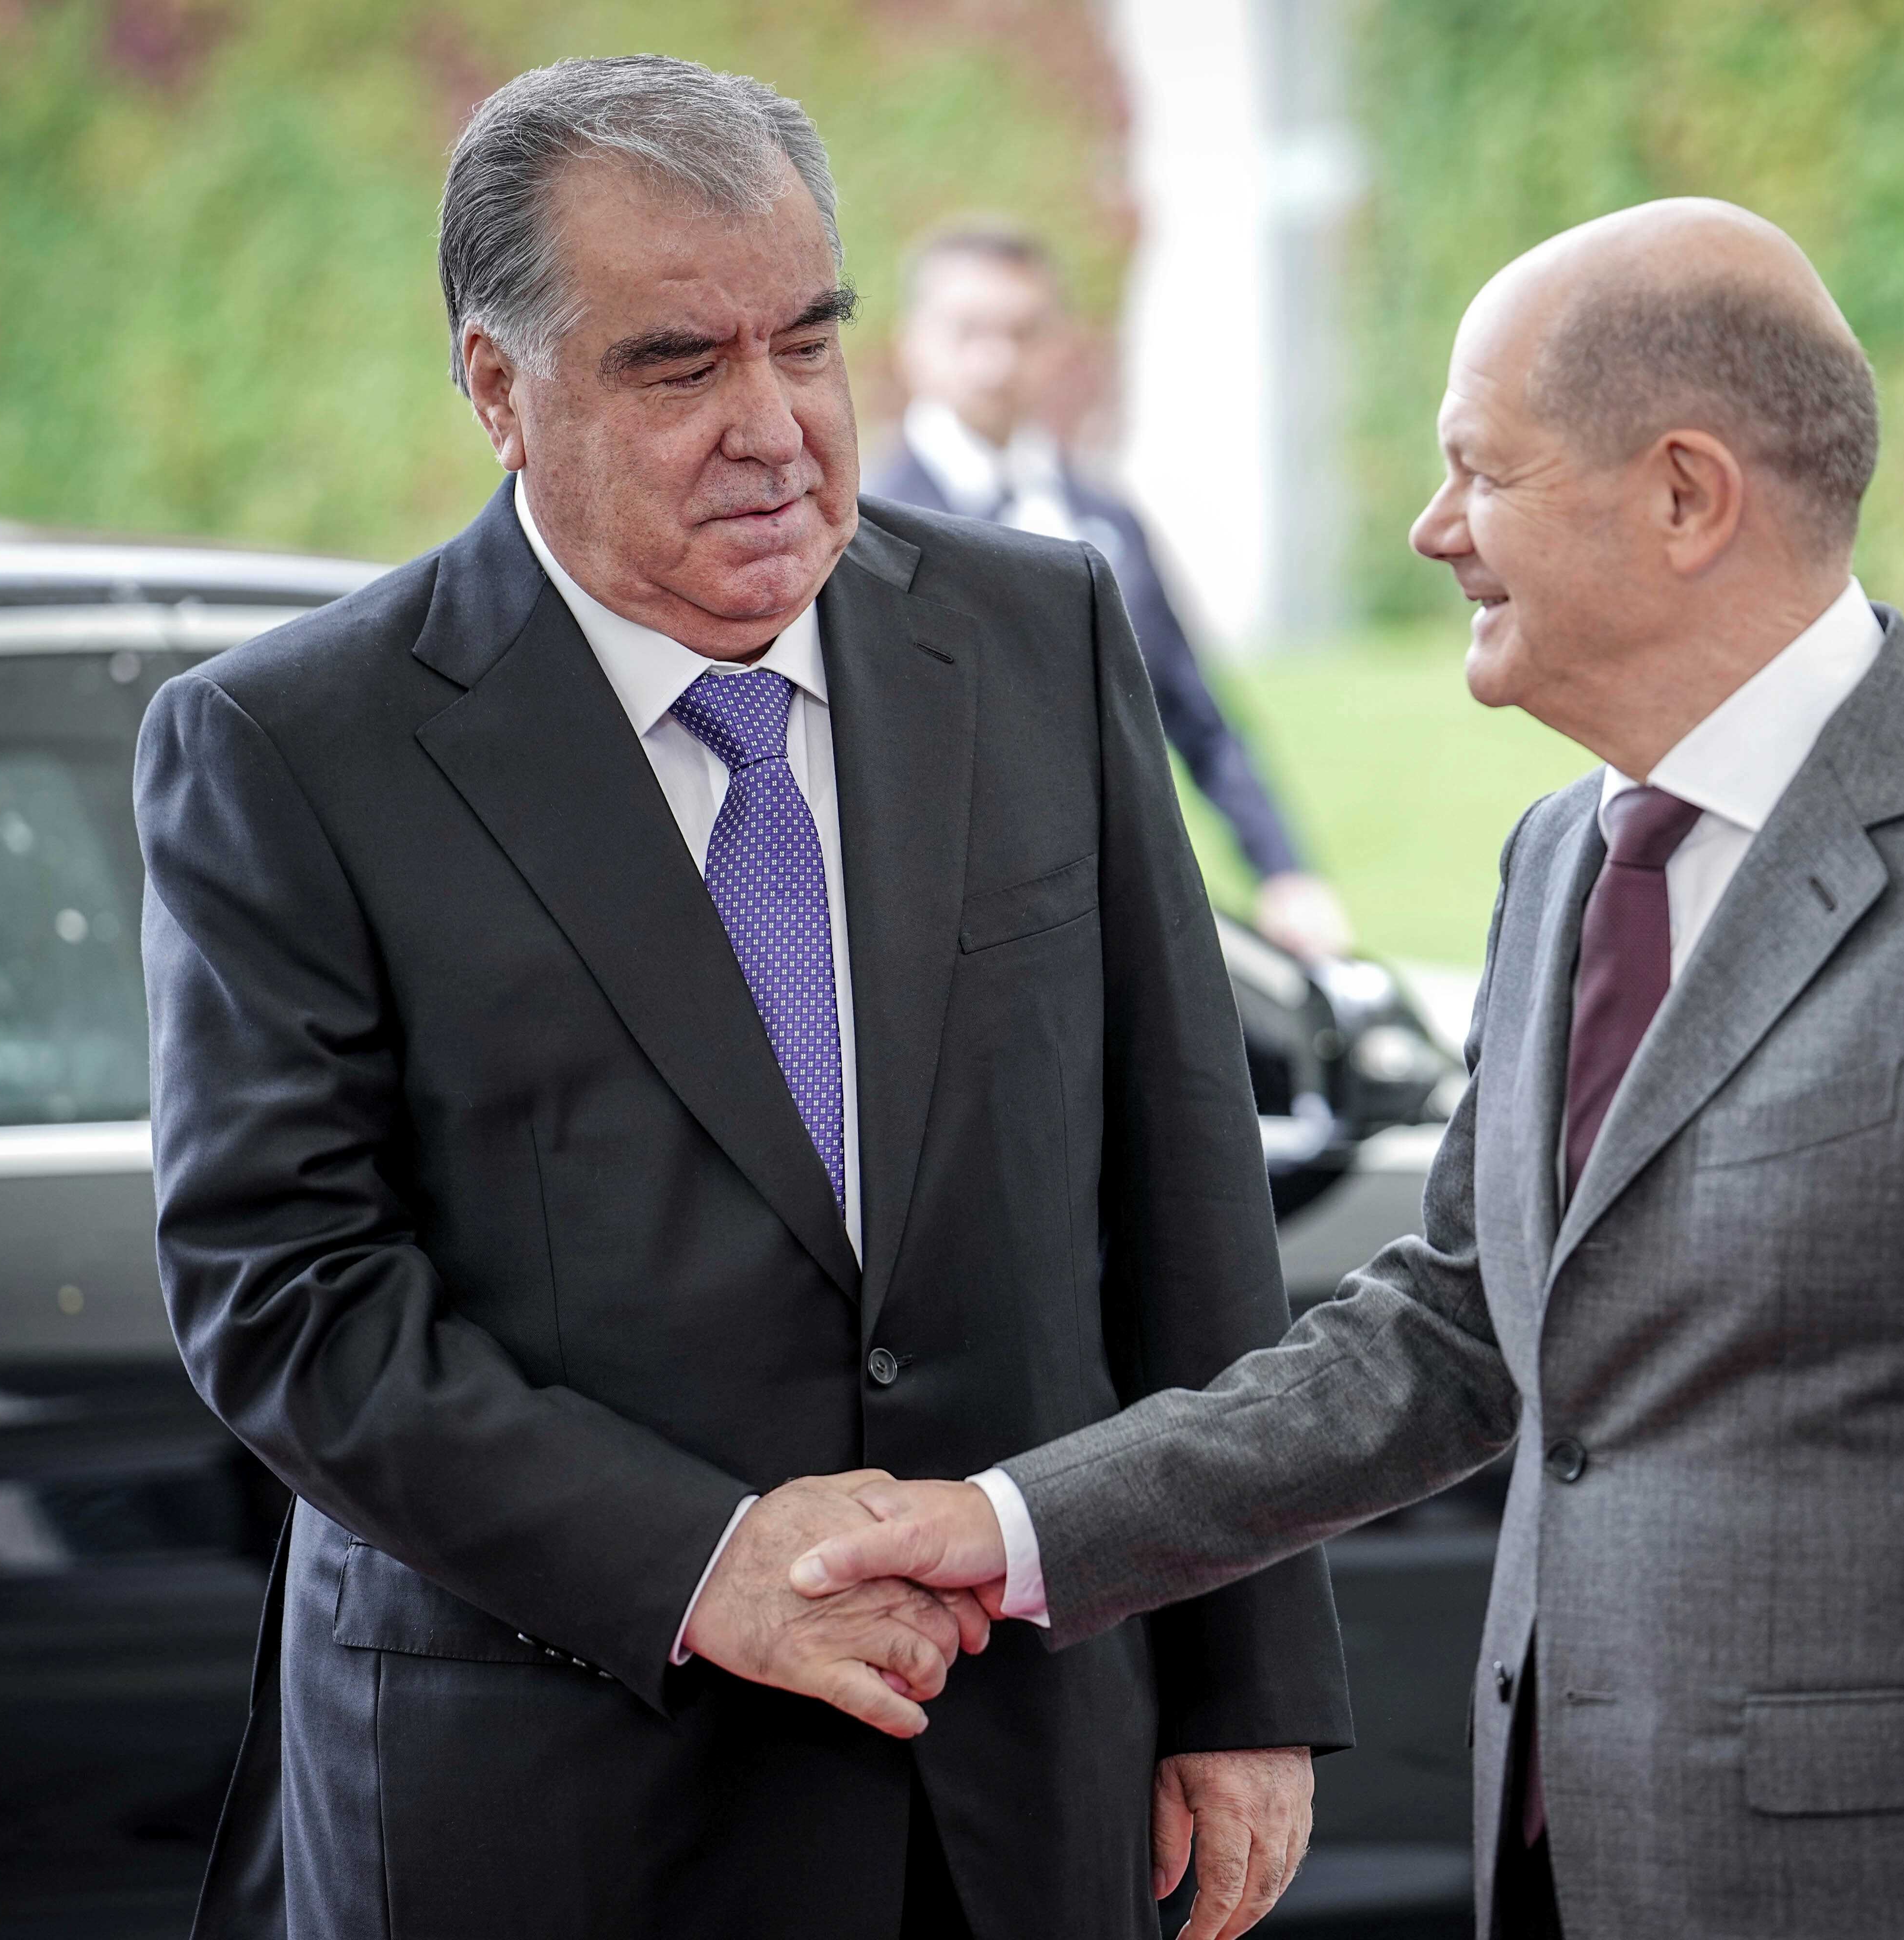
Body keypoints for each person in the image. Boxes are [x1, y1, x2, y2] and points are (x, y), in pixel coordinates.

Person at [790, 199, 1904, 1938]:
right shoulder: (1560, 860)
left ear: (1684, 495)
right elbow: (1454, 1332)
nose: (1437, 531)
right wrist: (1006, 1525)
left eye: (1481, 474)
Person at [135, 56, 1346, 1940]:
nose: (776, 427)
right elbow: (287, 1298)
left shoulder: (1037, 637)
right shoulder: (291, 749)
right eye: (681, 364)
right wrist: (705, 1561)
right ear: (496, 389)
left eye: (809, 340)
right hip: (549, 1812)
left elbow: (1184, 1189)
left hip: (1019, 1795)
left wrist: (1248, 1689)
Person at [867, 221, 1353, 962]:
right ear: (913, 342)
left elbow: (1194, 709)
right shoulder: (867, 530)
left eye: (1022, 332)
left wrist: (1285, 871)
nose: (995, 360)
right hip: (951, 940)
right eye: (967, 331)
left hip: (1122, 913)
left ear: (1057, 346)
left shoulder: (1108, 518)